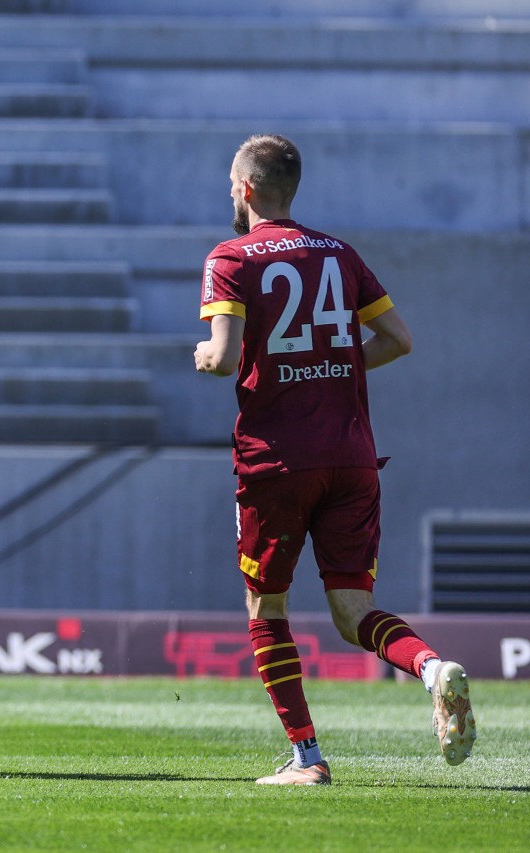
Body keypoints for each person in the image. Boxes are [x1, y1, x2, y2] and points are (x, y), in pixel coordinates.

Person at [194, 134, 476, 785]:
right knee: (353, 610)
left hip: (277, 463)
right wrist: (331, 364)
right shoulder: (339, 254)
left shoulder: (230, 257)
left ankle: (307, 757)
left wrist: (201, 356)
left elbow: (223, 358)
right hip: (351, 458)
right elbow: (398, 340)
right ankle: (433, 668)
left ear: (245, 189)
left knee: (267, 608)